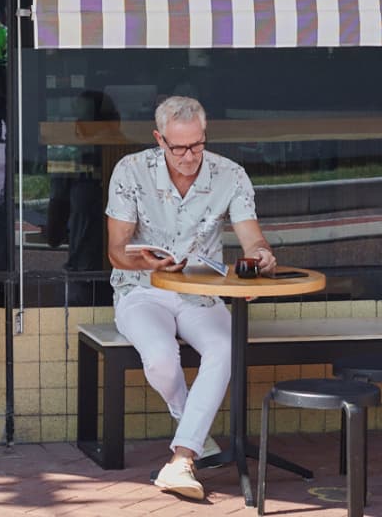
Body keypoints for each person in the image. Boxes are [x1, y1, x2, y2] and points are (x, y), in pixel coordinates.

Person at [104, 95, 277, 502]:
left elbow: (252, 236)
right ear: (158, 139)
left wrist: (261, 256)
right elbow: (115, 250)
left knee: (224, 347)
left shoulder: (229, 174)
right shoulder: (130, 170)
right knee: (162, 356)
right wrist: (147, 264)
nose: (188, 156)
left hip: (202, 293)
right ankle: (190, 422)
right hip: (143, 290)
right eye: (177, 147)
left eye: (196, 145)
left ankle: (182, 458)